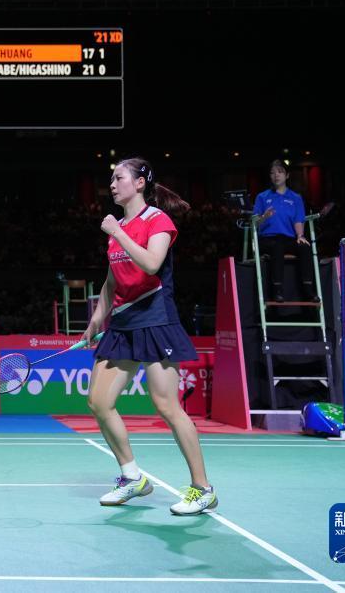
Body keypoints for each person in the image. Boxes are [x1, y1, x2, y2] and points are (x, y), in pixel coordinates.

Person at [82, 157, 217, 516]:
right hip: (123, 323)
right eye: (111, 179)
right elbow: (112, 280)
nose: (112, 184)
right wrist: (96, 318)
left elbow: (152, 263)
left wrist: (117, 233)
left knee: (166, 405)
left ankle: (202, 489)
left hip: (156, 320)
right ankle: (132, 478)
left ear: (140, 183)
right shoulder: (120, 227)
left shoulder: (157, 220)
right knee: (98, 401)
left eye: (119, 178)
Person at [252, 160, 317, 302]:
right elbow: (255, 223)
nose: (276, 175)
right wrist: (264, 217)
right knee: (278, 245)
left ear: (287, 175)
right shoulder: (262, 197)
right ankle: (277, 291)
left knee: (305, 247)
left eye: (280, 172)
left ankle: (308, 290)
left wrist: (300, 235)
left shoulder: (296, 198)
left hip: (288, 239)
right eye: (272, 173)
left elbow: (298, 220)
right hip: (267, 240)